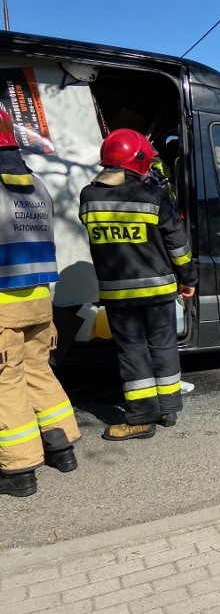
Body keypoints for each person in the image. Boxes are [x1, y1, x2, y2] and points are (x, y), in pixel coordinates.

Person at [78, 129, 197, 440]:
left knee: (133, 353)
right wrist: (188, 280)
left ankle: (141, 418)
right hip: (158, 290)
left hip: (119, 293)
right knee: (163, 346)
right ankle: (167, 409)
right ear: (140, 160)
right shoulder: (154, 196)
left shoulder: (88, 196)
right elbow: (178, 245)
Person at [0, 108, 81, 497]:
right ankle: (62, 447)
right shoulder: (34, 183)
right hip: (38, 300)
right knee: (38, 371)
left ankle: (18, 473)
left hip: (1, 303)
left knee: (5, 381)